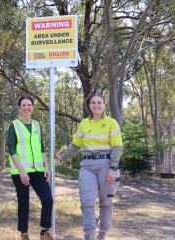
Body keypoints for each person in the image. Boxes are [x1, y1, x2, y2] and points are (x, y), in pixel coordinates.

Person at [55, 92, 123, 240]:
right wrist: (61, 156)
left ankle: (102, 233)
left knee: (105, 202)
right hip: (87, 166)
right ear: (89, 105)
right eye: (93, 102)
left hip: (106, 164)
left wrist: (113, 168)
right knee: (86, 202)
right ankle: (89, 235)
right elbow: (75, 146)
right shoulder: (84, 123)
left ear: (104, 105)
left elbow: (117, 147)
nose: (96, 105)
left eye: (99, 102)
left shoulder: (111, 123)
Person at [7, 96, 54, 240]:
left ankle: (44, 231)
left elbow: (41, 148)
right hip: (20, 172)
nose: (26, 107)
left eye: (29, 105)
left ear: (33, 107)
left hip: (38, 171)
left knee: (48, 200)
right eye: (23, 105)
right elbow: (11, 149)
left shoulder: (37, 125)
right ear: (19, 108)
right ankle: (24, 233)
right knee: (24, 203)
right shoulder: (13, 125)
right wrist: (22, 171)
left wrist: (46, 167)